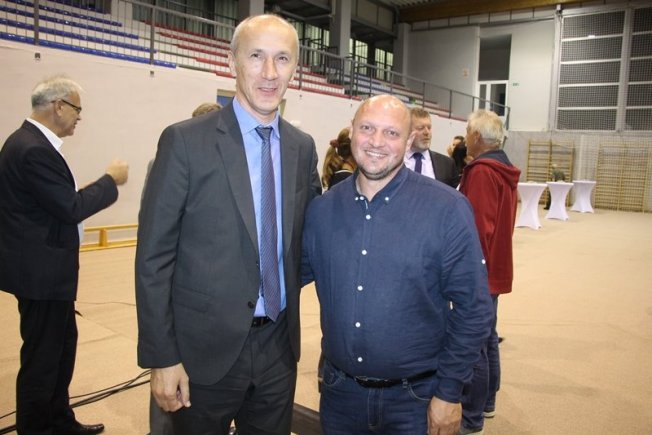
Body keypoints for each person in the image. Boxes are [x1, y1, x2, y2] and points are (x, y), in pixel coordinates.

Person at [135, 14, 321, 435]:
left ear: (295, 68)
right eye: (256, 56)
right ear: (232, 60)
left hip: (278, 348)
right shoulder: (185, 141)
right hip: (202, 352)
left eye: (282, 58)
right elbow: (153, 258)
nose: (270, 72)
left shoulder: (302, 147)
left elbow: (305, 240)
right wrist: (162, 357)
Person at [301, 95, 493, 435]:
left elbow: (474, 308)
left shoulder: (447, 209)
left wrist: (449, 392)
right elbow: (282, 279)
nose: (376, 141)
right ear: (351, 132)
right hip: (340, 395)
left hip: (416, 400)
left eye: (391, 133)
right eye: (367, 128)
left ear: (408, 141)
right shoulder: (321, 211)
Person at [0, 75, 129, 435]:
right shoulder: (33, 149)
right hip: (40, 275)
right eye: (76, 109)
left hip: (44, 273)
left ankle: (58, 420)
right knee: (43, 359)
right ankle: (37, 428)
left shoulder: (28, 143)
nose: (79, 117)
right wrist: (109, 180)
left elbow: (55, 202)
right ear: (58, 106)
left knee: (60, 349)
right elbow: (71, 208)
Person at [145, 101, 222, 435]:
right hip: (180, 292)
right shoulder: (170, 157)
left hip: (215, 302)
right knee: (170, 384)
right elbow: (155, 239)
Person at [458, 109, 521, 435]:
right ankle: (488, 401)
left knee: (474, 344)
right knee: (488, 337)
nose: (466, 139)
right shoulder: (503, 168)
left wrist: (467, 271)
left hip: (479, 270)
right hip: (495, 266)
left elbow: (478, 227)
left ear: (476, 136)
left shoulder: (483, 172)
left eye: (467, 133)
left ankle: (471, 416)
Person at [404, 107, 459, 188]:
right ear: (408, 131)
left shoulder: (447, 164)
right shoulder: (395, 160)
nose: (427, 132)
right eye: (420, 128)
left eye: (429, 128)